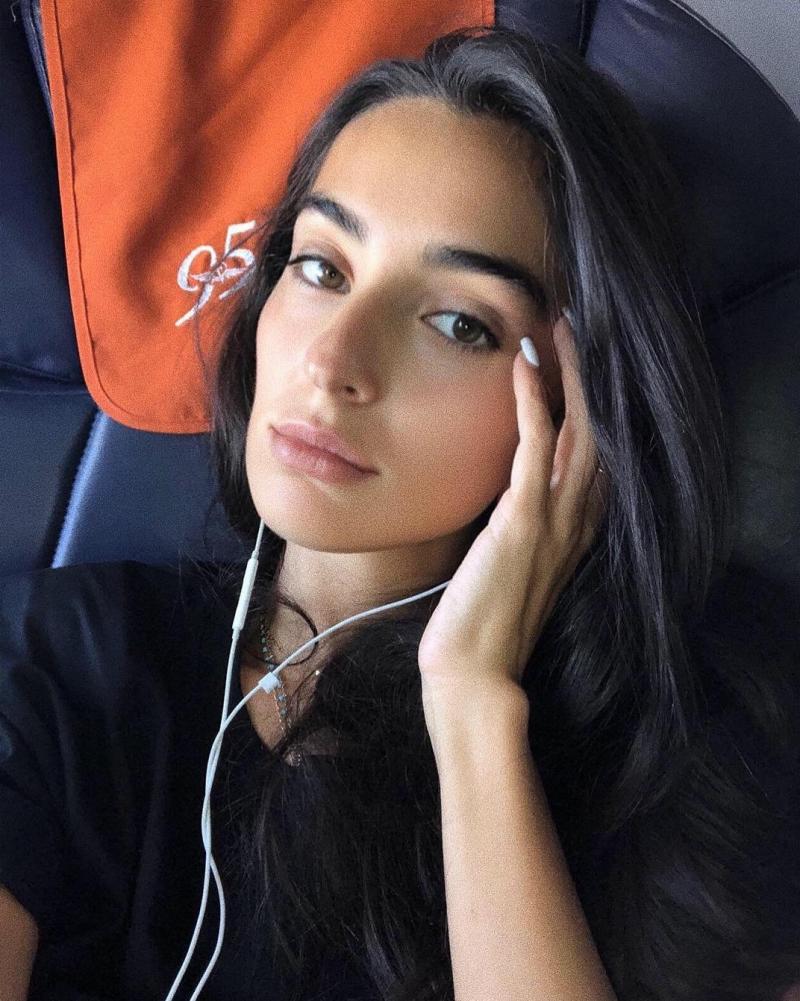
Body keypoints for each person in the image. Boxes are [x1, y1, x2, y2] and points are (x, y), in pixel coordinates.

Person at [1, 22, 799, 1001]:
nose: (332, 361)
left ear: (579, 405)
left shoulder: (699, 748)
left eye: (457, 322)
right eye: (321, 267)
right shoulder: (62, 660)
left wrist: (472, 706)